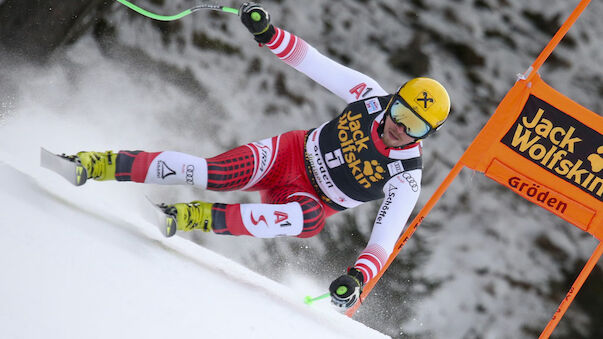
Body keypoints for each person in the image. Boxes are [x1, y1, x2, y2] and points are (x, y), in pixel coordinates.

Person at [66, 3, 450, 309]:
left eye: (414, 128)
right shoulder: (369, 97)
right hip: (289, 155)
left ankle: (191, 217)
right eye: (399, 113)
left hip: (308, 200)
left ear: (426, 136)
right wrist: (267, 33)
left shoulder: (405, 177)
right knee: (212, 174)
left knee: (310, 220)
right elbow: (313, 62)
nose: (399, 127)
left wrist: (357, 278)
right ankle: (97, 163)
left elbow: (381, 243)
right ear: (393, 99)